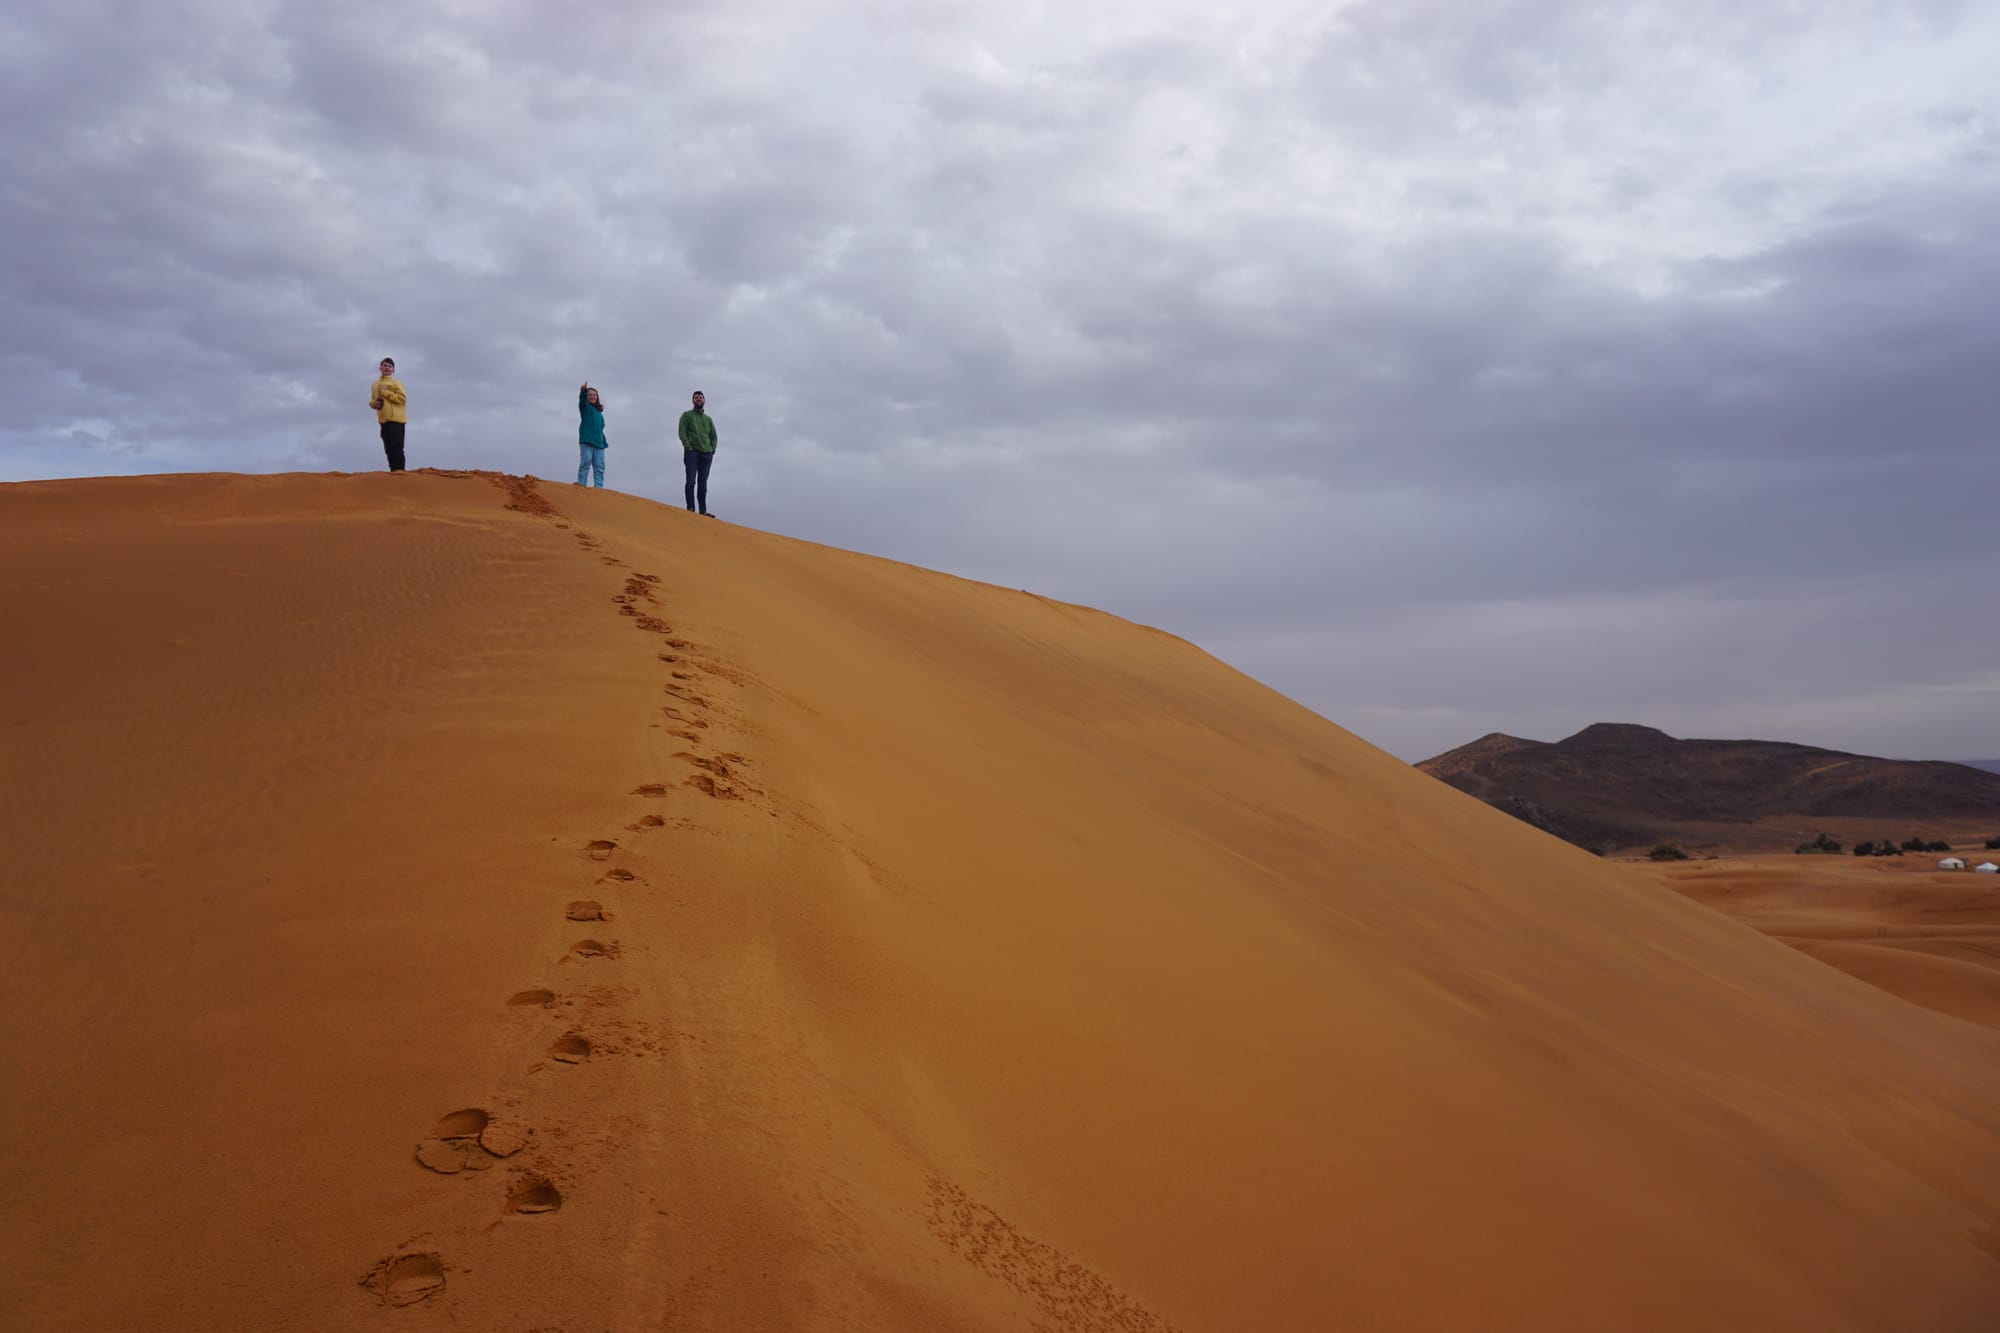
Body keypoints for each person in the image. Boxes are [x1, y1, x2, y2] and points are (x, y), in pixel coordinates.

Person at [677, 389, 717, 515]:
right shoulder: (687, 415)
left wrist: (712, 450)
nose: (698, 399)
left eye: (700, 397)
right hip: (692, 452)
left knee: (703, 484)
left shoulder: (708, 419)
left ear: (704, 400)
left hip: (706, 454)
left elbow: (714, 436)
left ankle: (703, 511)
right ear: (693, 400)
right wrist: (688, 446)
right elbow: (682, 432)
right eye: (696, 397)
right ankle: (690, 508)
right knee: (691, 481)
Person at [370, 358, 408, 472]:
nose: (387, 368)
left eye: (390, 366)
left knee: (397, 447)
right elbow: (374, 399)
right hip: (383, 420)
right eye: (385, 365)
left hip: (396, 419)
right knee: (388, 448)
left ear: (393, 370)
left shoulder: (396, 383)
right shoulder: (375, 384)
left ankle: (400, 471)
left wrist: (386, 393)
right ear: (380, 368)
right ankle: (393, 472)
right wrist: (373, 404)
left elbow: (402, 398)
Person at [576, 382, 608, 487]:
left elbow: (600, 429)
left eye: (594, 395)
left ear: (597, 397)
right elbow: (582, 401)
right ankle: (581, 485)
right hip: (586, 440)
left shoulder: (599, 413)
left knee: (600, 467)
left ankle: (598, 488)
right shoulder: (585, 408)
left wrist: (603, 441)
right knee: (585, 463)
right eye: (590, 395)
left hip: (599, 443)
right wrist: (583, 391)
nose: (592, 396)